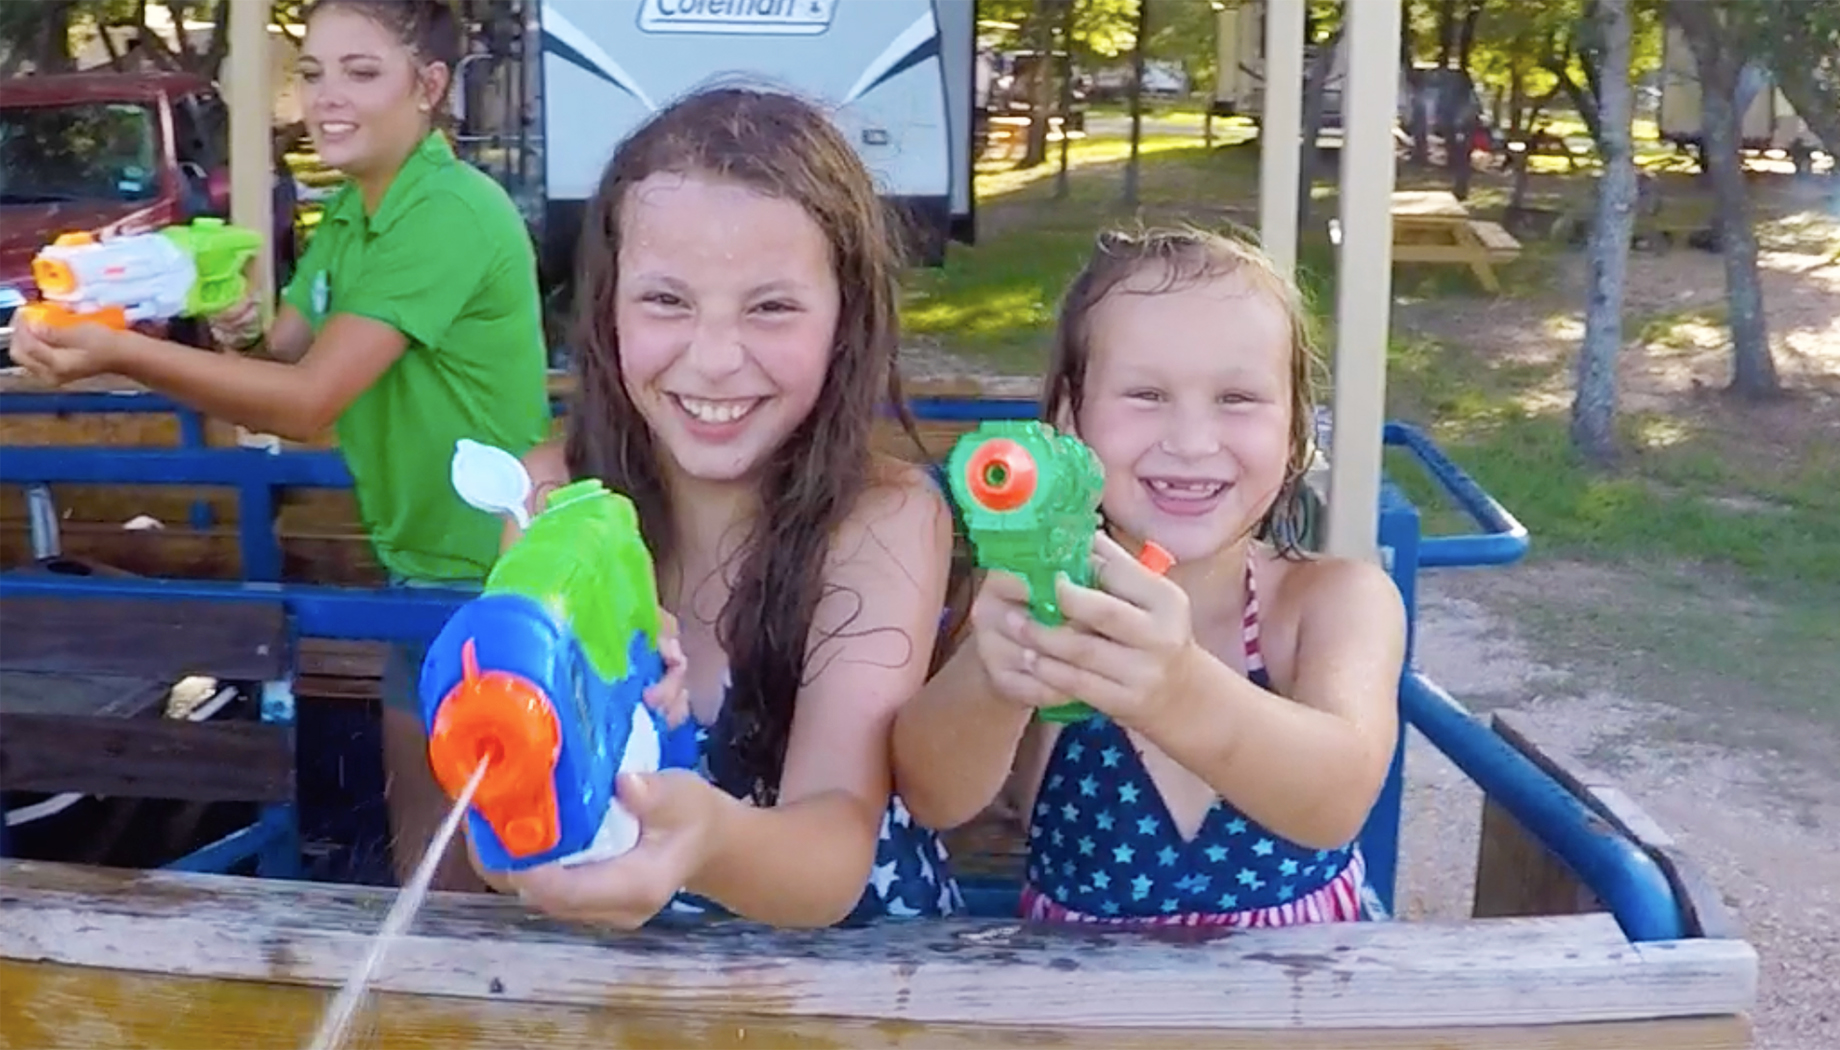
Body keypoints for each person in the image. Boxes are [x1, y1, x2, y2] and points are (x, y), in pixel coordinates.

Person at [9, 0, 552, 890]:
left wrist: (119, 352)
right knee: (428, 869)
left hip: (493, 579)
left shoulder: (447, 212)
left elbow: (306, 404)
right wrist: (226, 326)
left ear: (432, 87)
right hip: (416, 570)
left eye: (362, 72)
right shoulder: (351, 214)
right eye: (315, 70)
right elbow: (281, 359)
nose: (327, 97)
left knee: (487, 880)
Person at [454, 85, 965, 929]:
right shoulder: (546, 497)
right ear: (607, 307)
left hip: (861, 981)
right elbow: (496, 839)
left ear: (847, 320)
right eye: (666, 301)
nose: (716, 358)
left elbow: (833, 854)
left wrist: (706, 843)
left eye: (771, 308)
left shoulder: (886, 516)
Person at [891, 227, 1407, 928]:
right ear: (1071, 419)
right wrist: (993, 674)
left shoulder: (1331, 601)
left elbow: (1337, 799)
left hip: (1299, 1015)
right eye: (1145, 394)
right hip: (1082, 1013)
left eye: (1237, 399)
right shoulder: (1037, 597)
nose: (1191, 441)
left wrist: (1178, 690)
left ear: (1293, 433)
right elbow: (936, 797)